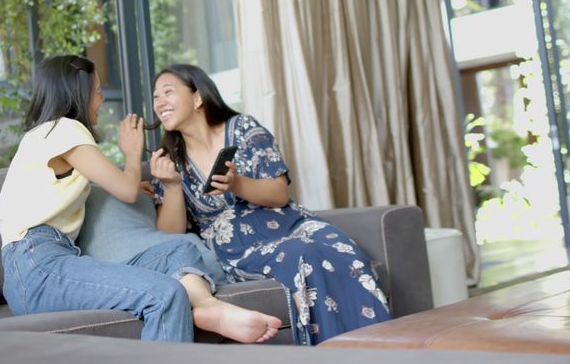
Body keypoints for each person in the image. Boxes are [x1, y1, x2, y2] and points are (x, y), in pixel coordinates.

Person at [0, 55, 281, 343]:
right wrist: (132, 153)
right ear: (78, 93)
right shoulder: (65, 128)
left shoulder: (49, 137)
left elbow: (99, 186)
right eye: (96, 90)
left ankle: (208, 306)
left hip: (51, 260)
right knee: (165, 294)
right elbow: (126, 190)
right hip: (38, 265)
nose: (101, 98)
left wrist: (132, 182)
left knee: (178, 249)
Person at [148, 64, 391, 345]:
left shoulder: (244, 129)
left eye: (168, 92)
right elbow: (169, 235)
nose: (159, 102)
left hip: (289, 221)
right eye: (155, 97)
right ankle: (334, 357)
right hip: (239, 245)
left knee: (344, 251)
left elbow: (279, 194)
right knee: (302, 254)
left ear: (197, 97)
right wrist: (173, 186)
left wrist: (236, 183)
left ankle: (382, 350)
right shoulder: (169, 159)